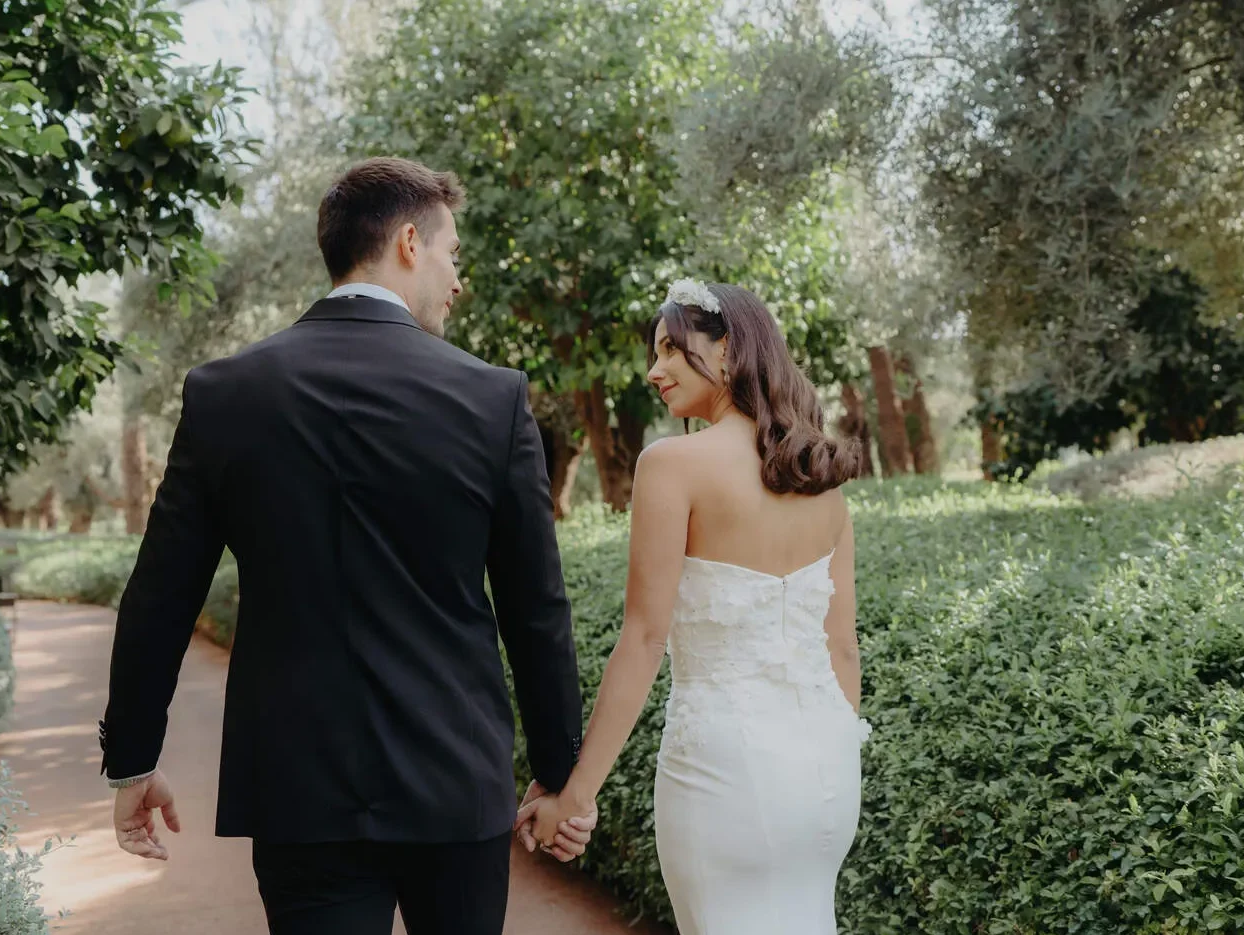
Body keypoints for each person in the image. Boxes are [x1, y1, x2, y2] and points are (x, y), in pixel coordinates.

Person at [99, 156, 595, 935]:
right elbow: (537, 609)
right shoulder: (491, 398)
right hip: (454, 782)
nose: (457, 278)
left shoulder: (226, 393)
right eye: (451, 253)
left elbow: (161, 593)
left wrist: (132, 757)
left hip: (300, 791)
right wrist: (562, 775)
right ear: (407, 242)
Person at [516, 279, 871, 933]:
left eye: (672, 351)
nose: (655, 370)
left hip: (725, 778)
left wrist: (575, 795)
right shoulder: (823, 479)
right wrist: (831, 753)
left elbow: (644, 638)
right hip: (826, 775)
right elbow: (841, 647)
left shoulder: (672, 464)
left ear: (729, 350)